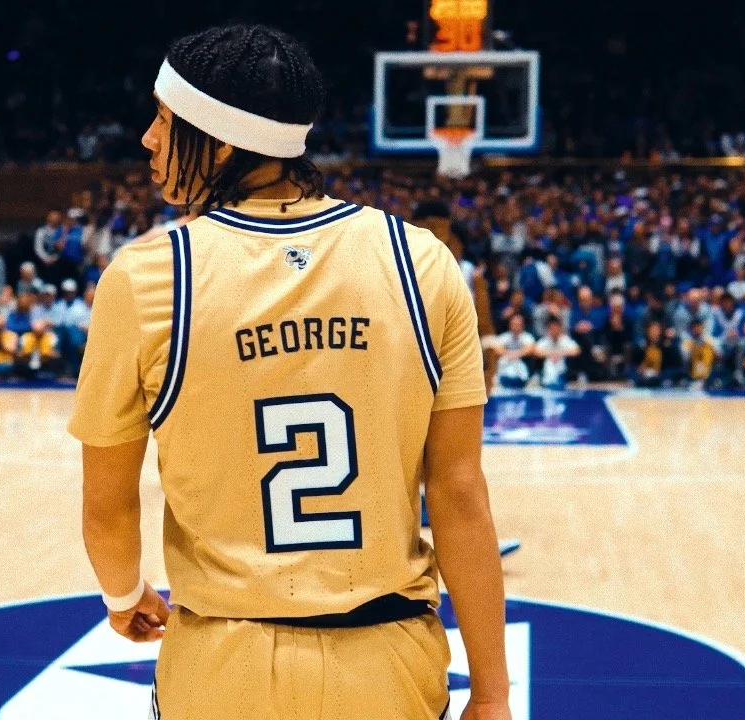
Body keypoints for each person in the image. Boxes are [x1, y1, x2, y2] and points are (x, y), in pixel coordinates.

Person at [69, 24, 509, 720]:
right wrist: (491, 692)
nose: (148, 139)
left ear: (221, 142)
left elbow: (108, 508)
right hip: (388, 660)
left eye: (164, 120)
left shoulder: (149, 279)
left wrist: (124, 595)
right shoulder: (422, 262)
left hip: (225, 663)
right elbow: (459, 495)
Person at [533, 317, 579, 390]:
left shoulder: (565, 340)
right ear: (548, 329)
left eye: (556, 328)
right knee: (549, 362)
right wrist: (551, 354)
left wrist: (560, 353)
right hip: (548, 367)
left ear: (560, 329)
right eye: (552, 328)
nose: (554, 331)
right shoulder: (544, 340)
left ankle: (559, 380)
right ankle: (548, 381)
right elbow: (536, 352)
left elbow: (576, 351)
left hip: (563, 368)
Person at [492, 314, 535, 389]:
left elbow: (531, 349)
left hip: (521, 365)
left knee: (518, 363)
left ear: (522, 325)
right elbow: (496, 349)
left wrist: (516, 354)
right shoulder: (504, 336)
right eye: (514, 324)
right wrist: (509, 354)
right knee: (502, 361)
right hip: (506, 363)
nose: (516, 326)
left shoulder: (527, 336)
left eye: (518, 324)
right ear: (510, 325)